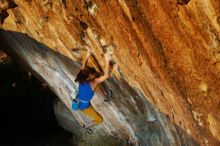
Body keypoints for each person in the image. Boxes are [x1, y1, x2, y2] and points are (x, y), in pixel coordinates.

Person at [74, 50, 112, 133]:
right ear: (89, 76)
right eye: (93, 74)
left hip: (81, 102)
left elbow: (83, 66)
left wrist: (87, 55)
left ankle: (106, 95)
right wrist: (107, 60)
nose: (94, 74)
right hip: (85, 108)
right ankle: (86, 126)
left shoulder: (82, 78)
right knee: (100, 120)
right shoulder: (92, 82)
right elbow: (107, 75)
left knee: (97, 85)